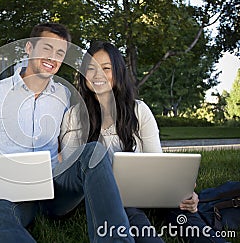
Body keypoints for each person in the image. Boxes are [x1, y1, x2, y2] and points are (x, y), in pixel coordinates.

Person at [0, 24, 134, 242]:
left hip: (54, 191)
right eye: (47, 49)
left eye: (60, 53)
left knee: (93, 152)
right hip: (10, 196)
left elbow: (64, 148)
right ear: (29, 48)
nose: (53, 57)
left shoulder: (62, 95)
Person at [59, 40, 226, 243]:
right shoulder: (74, 115)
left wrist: (183, 192)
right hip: (102, 197)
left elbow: (157, 162)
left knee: (181, 209)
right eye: (91, 68)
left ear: (118, 72)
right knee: (129, 212)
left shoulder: (139, 110)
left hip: (145, 191)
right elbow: (71, 172)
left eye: (106, 68)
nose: (97, 75)